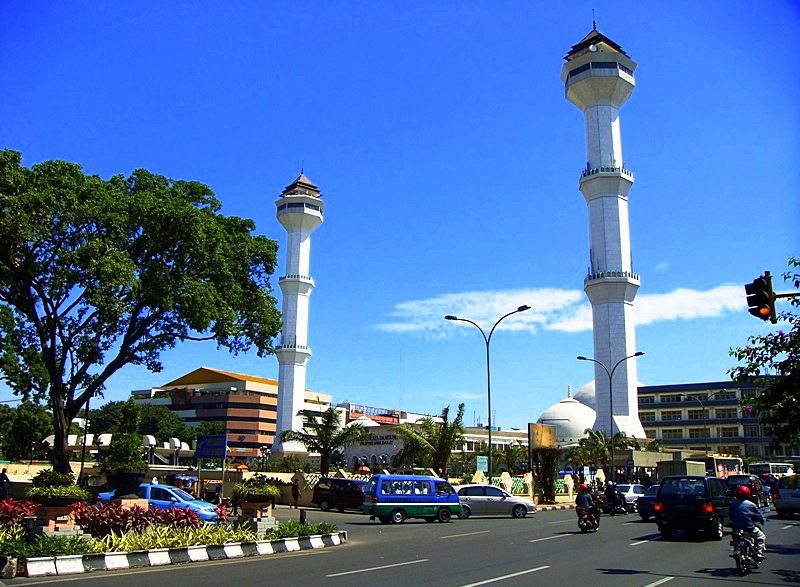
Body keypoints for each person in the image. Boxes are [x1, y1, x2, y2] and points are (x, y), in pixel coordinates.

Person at [729, 485, 766, 561]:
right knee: (761, 537)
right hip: (748, 527)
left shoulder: (733, 504)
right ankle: (758, 553)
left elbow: (730, 515)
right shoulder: (751, 504)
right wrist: (762, 520)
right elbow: (759, 516)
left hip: (736, 528)